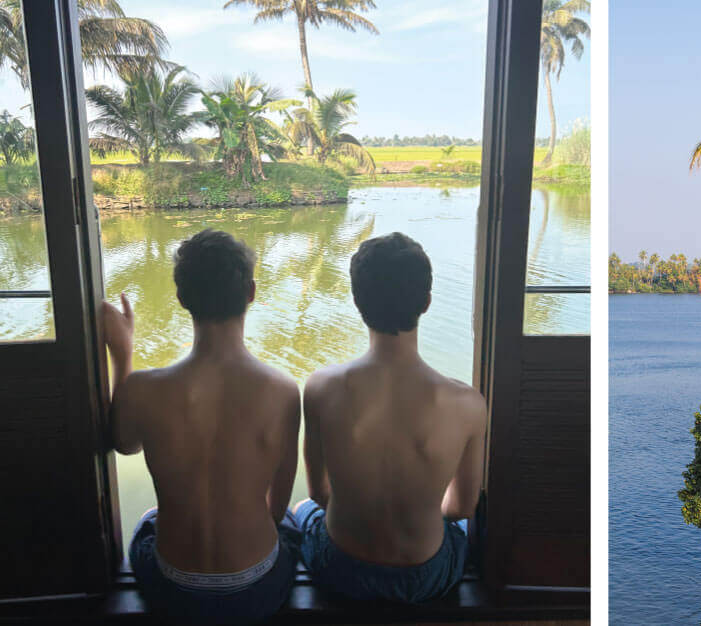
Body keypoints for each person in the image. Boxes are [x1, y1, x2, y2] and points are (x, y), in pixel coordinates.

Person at [102, 229, 301, 625]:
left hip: (173, 586)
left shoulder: (144, 388)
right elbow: (276, 510)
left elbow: (123, 443)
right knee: (298, 520)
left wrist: (123, 354)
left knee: (148, 522)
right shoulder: (282, 391)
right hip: (257, 586)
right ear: (251, 292)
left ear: (181, 300)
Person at [296, 232, 485, 602]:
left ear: (357, 301)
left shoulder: (321, 387)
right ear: (426, 302)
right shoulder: (467, 403)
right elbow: (462, 507)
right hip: (425, 574)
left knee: (301, 511)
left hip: (341, 568)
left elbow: (319, 493)